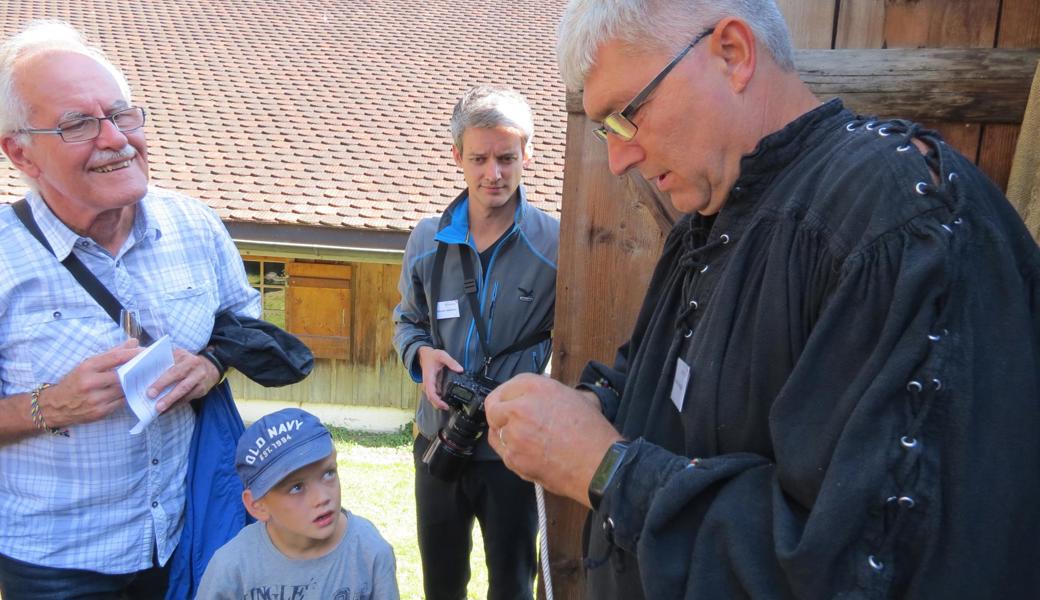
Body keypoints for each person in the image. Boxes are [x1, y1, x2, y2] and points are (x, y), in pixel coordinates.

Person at [483, 1, 1040, 598]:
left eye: (628, 114)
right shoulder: (715, 218)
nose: (619, 159)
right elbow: (673, 394)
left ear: (733, 53)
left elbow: (870, 567)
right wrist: (589, 406)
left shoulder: (898, 220)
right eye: (607, 129)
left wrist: (607, 468)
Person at [0, 21, 261, 597]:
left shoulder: (195, 225)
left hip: (186, 540)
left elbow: (247, 320)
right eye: (77, 124)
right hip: (56, 564)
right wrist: (46, 406)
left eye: (121, 115)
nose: (115, 139)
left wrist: (213, 362)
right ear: (20, 151)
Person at [393, 84, 559, 600]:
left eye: (507, 158)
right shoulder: (426, 240)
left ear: (528, 154)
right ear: (457, 157)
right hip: (438, 440)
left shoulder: (557, 245)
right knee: (441, 583)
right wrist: (420, 355)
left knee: (512, 584)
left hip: (513, 449)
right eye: (480, 158)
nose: (494, 173)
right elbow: (406, 320)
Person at [195, 408, 399, 599]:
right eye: (296, 488)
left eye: (328, 473)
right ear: (257, 505)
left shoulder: (368, 551)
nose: (322, 498)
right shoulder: (232, 568)